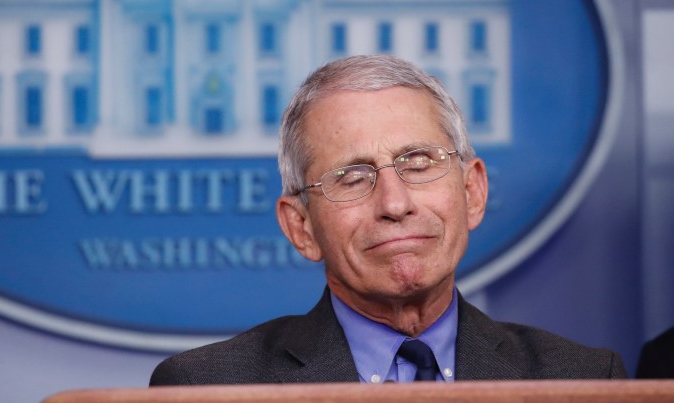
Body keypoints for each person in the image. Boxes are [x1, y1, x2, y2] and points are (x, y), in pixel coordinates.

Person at [150, 55, 626, 385]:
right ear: (301, 227)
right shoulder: (208, 388)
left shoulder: (582, 379)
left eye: (419, 162)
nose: (395, 203)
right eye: (352, 177)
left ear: (472, 192)